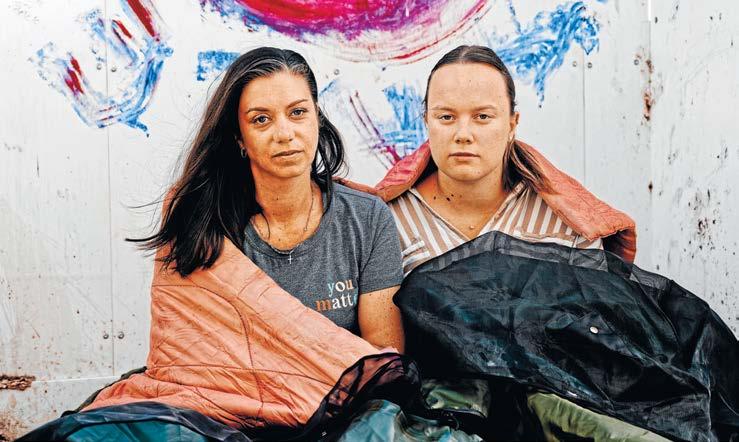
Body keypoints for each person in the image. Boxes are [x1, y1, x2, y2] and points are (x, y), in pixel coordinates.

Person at [133, 47, 405, 351]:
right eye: (261, 119)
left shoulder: (366, 218)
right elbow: (190, 358)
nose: (285, 133)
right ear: (239, 137)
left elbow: (383, 359)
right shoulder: (201, 222)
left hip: (347, 383)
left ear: (317, 117)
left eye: (298, 113)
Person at [379, 45, 635, 274]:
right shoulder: (388, 221)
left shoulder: (568, 223)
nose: (463, 134)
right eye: (446, 117)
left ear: (512, 124)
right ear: (426, 121)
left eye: (482, 117)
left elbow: (595, 309)